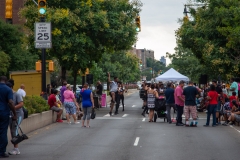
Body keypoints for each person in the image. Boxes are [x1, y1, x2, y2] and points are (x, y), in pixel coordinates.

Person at [0, 76, 16, 158]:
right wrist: (14, 114)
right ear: (6, 81)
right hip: (3, 113)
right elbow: (10, 102)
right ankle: (1, 151)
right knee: (3, 132)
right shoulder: (8, 89)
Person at [6, 81, 24, 155]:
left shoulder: (16, 94)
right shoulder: (7, 94)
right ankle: (15, 148)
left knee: (14, 131)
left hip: (18, 115)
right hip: (10, 115)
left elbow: (21, 104)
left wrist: (13, 108)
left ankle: (16, 149)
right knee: (12, 130)